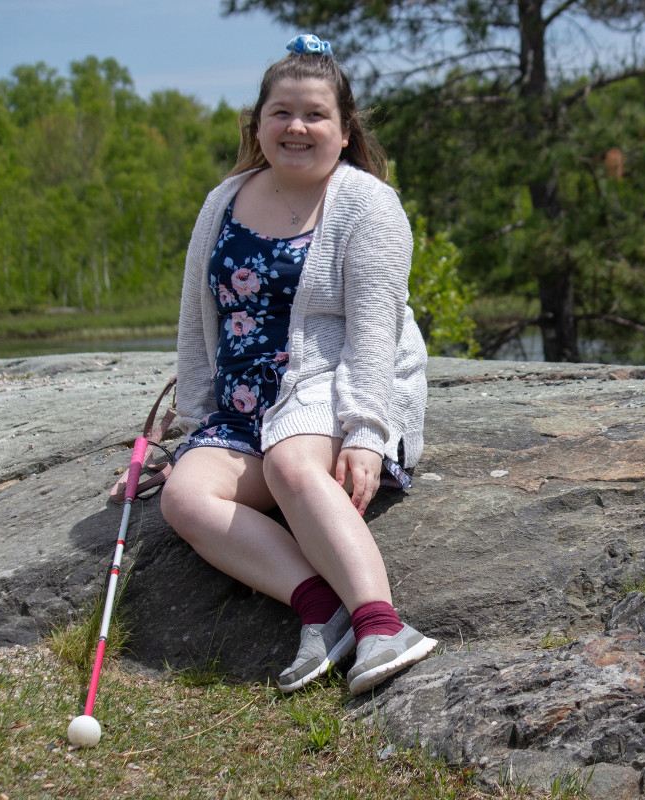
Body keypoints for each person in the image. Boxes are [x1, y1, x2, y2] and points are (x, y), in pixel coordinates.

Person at [161, 34, 435, 696]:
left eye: (315, 114)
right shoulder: (223, 200)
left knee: (291, 464)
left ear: (344, 132)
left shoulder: (367, 205)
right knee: (185, 496)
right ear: (257, 125)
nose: (297, 127)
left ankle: (381, 624)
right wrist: (191, 429)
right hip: (241, 407)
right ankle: (321, 608)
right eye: (281, 112)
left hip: (330, 389)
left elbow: (375, 332)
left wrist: (368, 433)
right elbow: (198, 323)